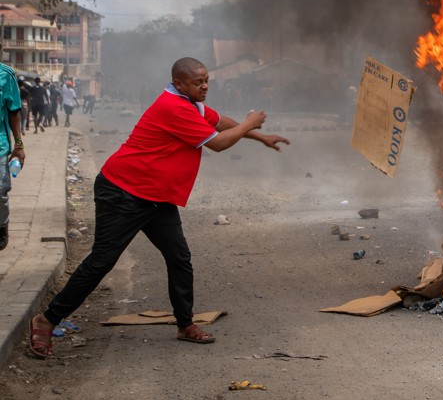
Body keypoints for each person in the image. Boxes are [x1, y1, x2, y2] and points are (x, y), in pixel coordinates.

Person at [28, 57, 290, 359]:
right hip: (123, 192)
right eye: (197, 82)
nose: (204, 86)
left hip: (156, 197)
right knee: (102, 261)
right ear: (179, 83)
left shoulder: (191, 104)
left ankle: (185, 324)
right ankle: (46, 320)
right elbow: (217, 142)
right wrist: (250, 123)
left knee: (179, 257)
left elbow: (219, 122)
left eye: (206, 81)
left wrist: (259, 137)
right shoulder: (174, 106)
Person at [0, 47, 25, 251]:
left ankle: (2, 227)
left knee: (0, 190)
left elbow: (14, 112)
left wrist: (19, 146)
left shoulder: (6, 75)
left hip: (0, 146)